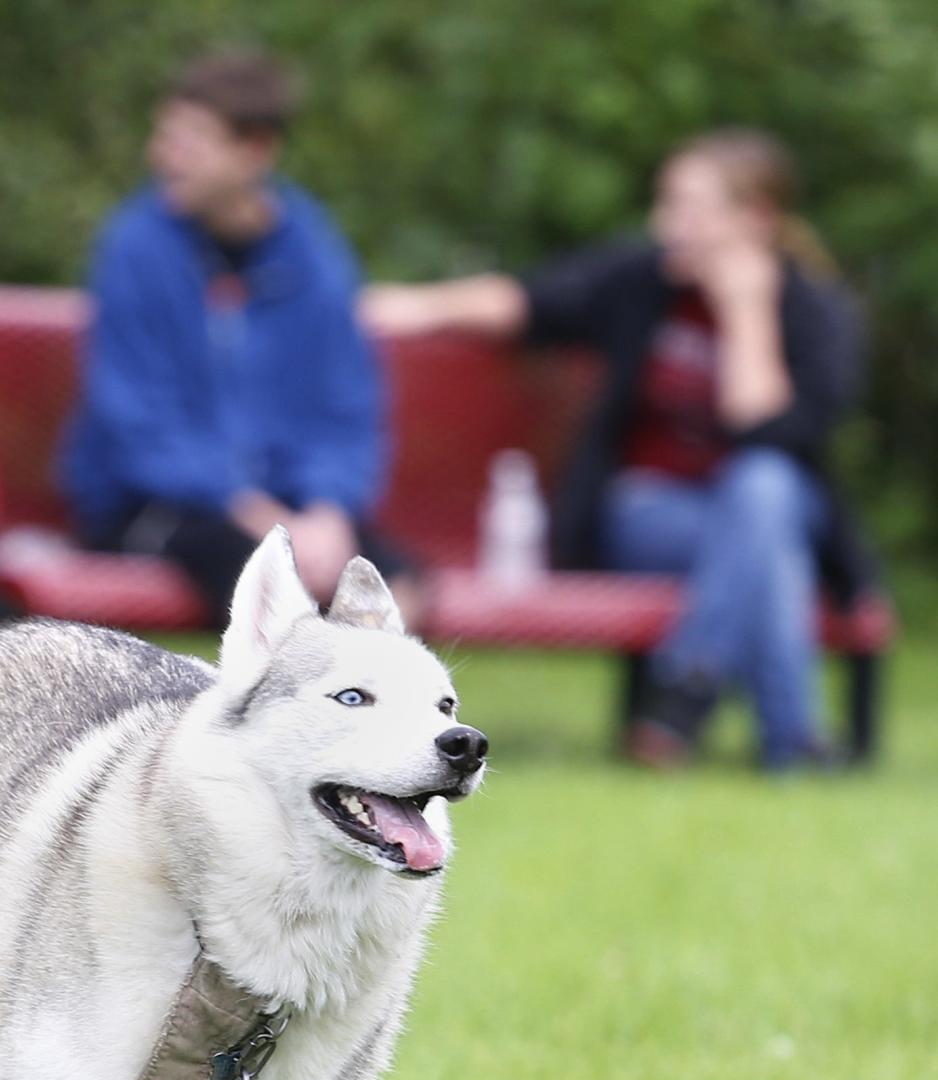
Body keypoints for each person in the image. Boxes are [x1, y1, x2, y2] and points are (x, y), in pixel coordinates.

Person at [362, 129, 876, 770]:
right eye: (667, 205)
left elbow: (768, 430)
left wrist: (747, 309)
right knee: (769, 546)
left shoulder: (811, 308)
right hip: (649, 514)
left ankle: (690, 687)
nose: (669, 225)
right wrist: (413, 306)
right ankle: (789, 739)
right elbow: (528, 301)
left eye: (691, 208)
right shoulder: (642, 280)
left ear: (756, 219)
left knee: (764, 488)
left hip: (770, 512)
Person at [60, 49, 412, 621]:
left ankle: (387, 712)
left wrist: (328, 508)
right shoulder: (134, 249)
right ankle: (291, 711)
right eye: (164, 137)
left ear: (255, 151)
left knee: (393, 584)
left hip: (289, 508)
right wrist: (257, 511)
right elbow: (137, 424)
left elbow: (345, 407)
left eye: (190, 141)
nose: (164, 156)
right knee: (270, 587)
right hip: (155, 506)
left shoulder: (313, 256)